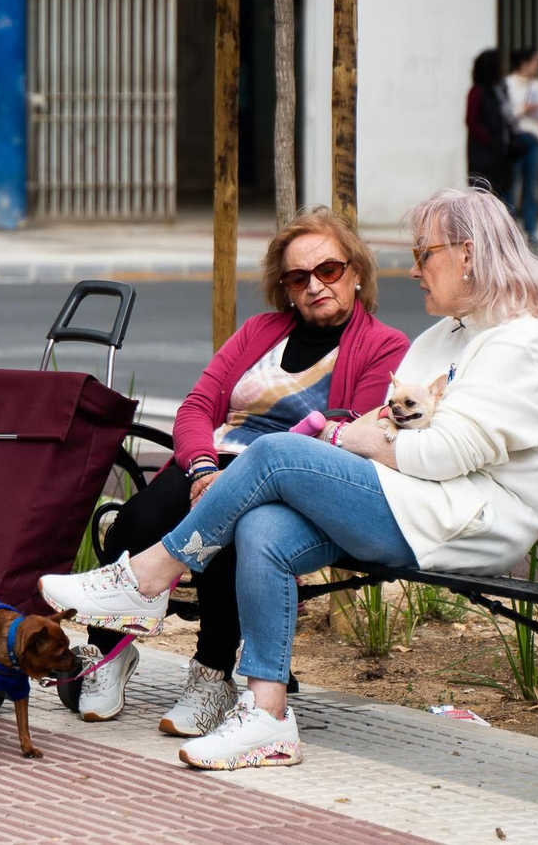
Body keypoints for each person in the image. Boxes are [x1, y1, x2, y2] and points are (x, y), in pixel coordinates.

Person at [43, 186, 538, 770]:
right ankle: (267, 717)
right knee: (264, 526)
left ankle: (146, 579)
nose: (415, 268)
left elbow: (439, 449)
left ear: (468, 254)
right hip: (416, 499)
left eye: (425, 254)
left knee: (274, 452)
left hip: (467, 520)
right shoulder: (448, 335)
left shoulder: (523, 343)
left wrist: (343, 436)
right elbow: (394, 427)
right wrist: (371, 435)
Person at [71, 207, 409, 736]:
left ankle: (212, 675)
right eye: (300, 277)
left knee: (233, 536)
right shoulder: (259, 332)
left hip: (292, 479)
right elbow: (198, 407)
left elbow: (348, 436)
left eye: (329, 270)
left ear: (357, 272)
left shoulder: (384, 346)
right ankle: (111, 651)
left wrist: (238, 478)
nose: (316, 285)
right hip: (214, 461)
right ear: (286, 288)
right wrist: (204, 466)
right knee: (137, 520)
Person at [504, 47, 538, 252]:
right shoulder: (508, 85)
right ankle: (510, 230)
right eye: (536, 61)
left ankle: (532, 230)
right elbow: (504, 115)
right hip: (514, 140)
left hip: (534, 140)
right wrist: (523, 110)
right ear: (524, 62)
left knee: (531, 188)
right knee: (510, 187)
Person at [465, 48, 514, 201]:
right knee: (483, 193)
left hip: (499, 154)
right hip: (483, 155)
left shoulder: (499, 91)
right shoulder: (477, 91)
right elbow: (471, 121)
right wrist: (489, 140)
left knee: (501, 191)